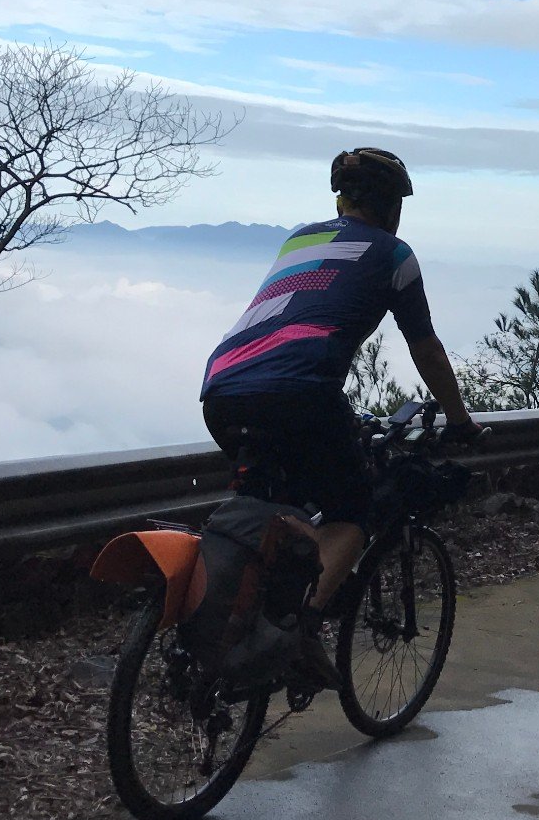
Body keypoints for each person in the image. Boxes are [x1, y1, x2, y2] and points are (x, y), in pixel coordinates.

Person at [200, 146, 479, 684]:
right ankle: (300, 633)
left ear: (341, 199)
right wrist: (460, 420)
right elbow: (425, 347)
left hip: (223, 387)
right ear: (392, 205)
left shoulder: (299, 238)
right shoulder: (395, 255)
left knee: (274, 501)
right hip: (300, 392)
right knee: (351, 507)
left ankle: (243, 621)